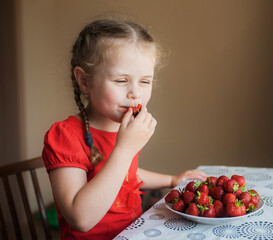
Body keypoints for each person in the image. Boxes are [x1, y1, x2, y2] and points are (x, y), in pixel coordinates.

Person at [42, 18, 207, 240]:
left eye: (145, 82)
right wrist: (125, 149)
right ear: (84, 81)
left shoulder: (122, 128)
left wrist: (171, 179)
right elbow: (80, 219)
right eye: (121, 80)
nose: (135, 93)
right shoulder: (65, 135)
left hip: (135, 233)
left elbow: (127, 174)